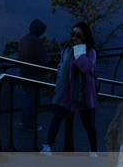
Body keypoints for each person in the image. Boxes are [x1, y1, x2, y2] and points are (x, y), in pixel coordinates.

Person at [41, 22, 98, 154]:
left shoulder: (90, 52)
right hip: (66, 91)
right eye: (73, 34)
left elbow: (86, 68)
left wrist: (79, 51)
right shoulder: (67, 50)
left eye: (78, 35)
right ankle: (48, 145)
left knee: (88, 123)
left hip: (83, 93)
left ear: (85, 36)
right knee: (57, 118)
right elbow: (61, 66)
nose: (74, 38)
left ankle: (94, 151)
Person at [17, 18, 47, 131]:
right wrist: (45, 71)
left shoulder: (23, 38)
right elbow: (42, 58)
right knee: (32, 100)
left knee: (28, 98)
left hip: (23, 72)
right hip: (33, 74)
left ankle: (23, 120)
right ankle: (29, 124)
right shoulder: (36, 40)